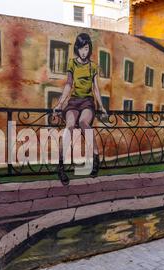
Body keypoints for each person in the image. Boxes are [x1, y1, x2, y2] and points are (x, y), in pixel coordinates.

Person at [53, 33, 108, 185]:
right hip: (74, 102)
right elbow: (68, 85)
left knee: (84, 123)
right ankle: (61, 166)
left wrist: (101, 106)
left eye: (87, 48)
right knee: (69, 126)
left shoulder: (93, 66)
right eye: (82, 49)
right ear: (77, 49)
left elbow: (96, 88)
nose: (84, 52)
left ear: (89, 49)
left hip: (87, 102)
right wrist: (59, 104)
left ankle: (96, 159)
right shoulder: (72, 64)